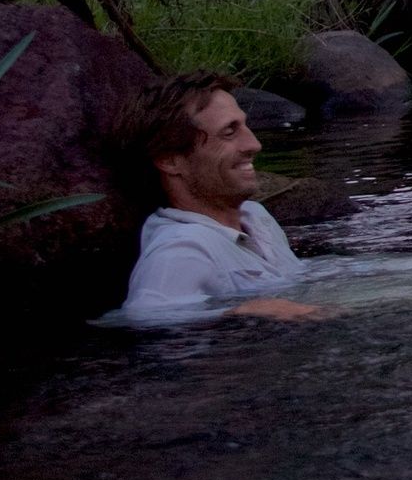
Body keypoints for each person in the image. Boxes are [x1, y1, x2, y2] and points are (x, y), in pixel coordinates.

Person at [117, 72, 319, 324]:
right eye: (229, 132)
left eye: (245, 126)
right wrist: (239, 313)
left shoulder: (255, 215)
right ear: (169, 160)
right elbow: (146, 318)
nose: (254, 144)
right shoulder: (181, 251)